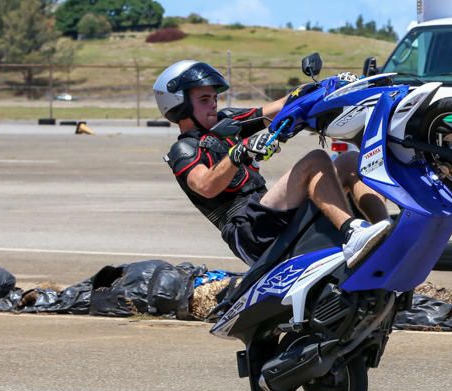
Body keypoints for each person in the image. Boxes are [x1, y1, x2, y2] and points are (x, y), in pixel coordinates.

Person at [153, 60, 390, 268]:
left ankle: (385, 232)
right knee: (315, 160)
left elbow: (283, 105)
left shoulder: (226, 123)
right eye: (205, 99)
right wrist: (240, 152)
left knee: (350, 160)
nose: (214, 104)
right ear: (181, 105)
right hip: (247, 232)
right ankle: (353, 234)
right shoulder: (184, 149)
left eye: (214, 98)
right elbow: (206, 186)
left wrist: (330, 86)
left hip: (266, 213)